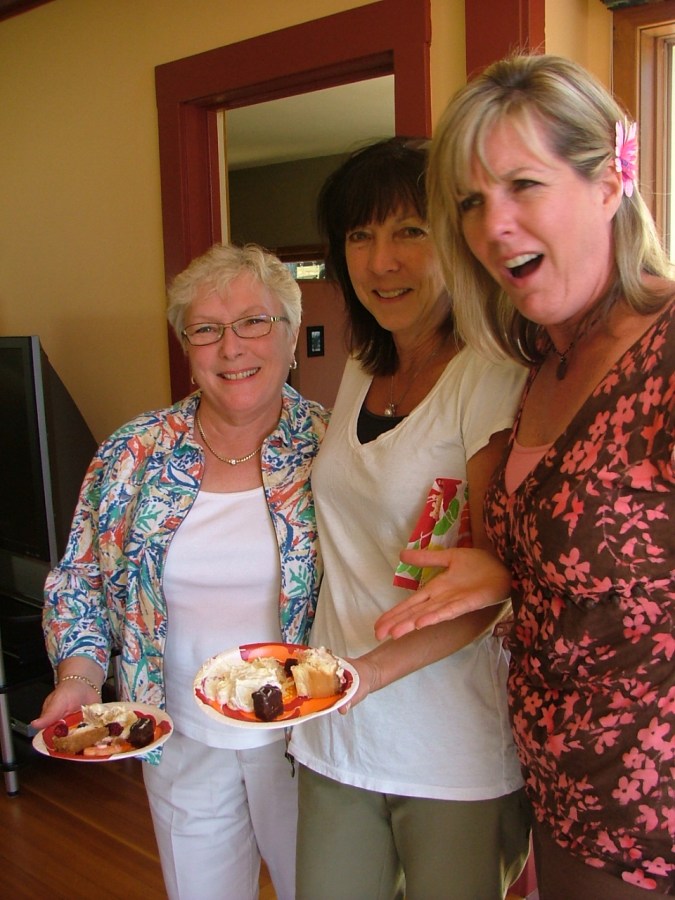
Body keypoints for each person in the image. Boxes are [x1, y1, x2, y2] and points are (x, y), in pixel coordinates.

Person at [375, 55, 674, 898]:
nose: (492, 226)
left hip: (653, 821)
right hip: (558, 791)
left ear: (609, 182)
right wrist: (503, 570)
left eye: (522, 186)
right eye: (470, 202)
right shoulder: (539, 358)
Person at [34, 243, 330, 900]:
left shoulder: (332, 449)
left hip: (308, 743)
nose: (231, 347)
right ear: (186, 347)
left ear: (290, 336)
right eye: (206, 329)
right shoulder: (133, 454)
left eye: (253, 322)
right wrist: (79, 679)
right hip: (178, 735)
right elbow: (80, 580)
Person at [288, 138, 531, 900]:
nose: (380, 261)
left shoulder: (489, 373)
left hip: (448, 741)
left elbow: (493, 583)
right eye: (359, 236)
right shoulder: (361, 368)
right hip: (336, 725)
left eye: (409, 232)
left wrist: (366, 673)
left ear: (456, 241)